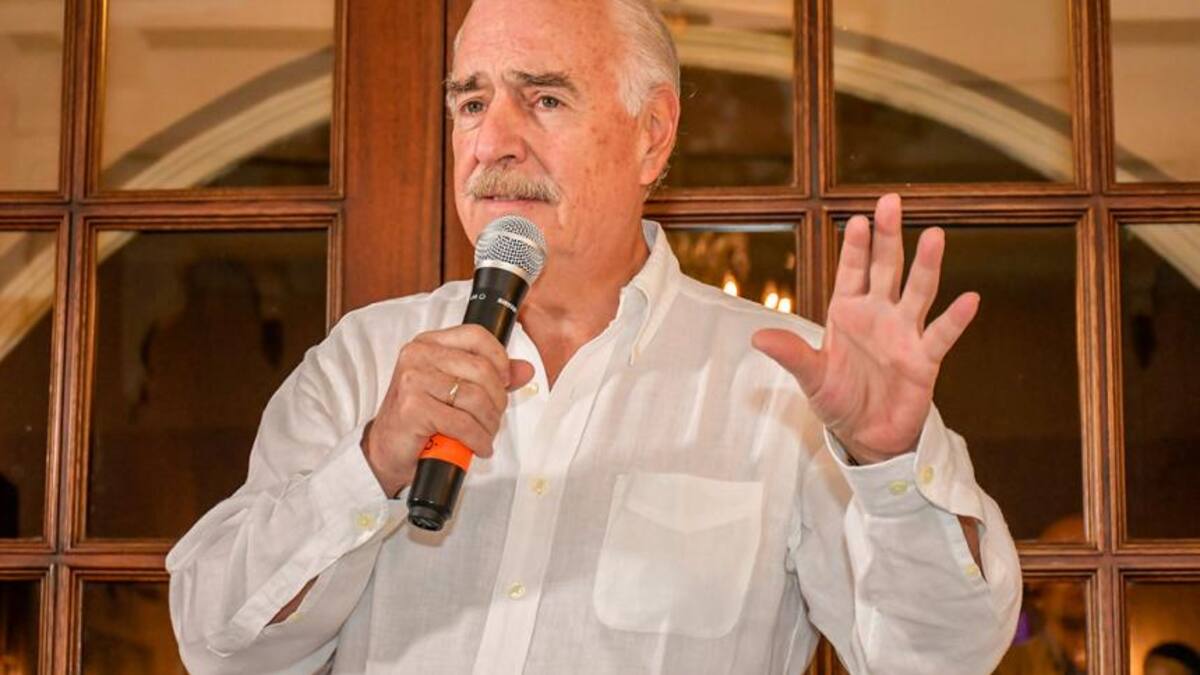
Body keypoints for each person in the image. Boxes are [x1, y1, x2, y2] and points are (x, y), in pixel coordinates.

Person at [167, 0, 1021, 672]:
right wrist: (371, 464)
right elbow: (217, 644)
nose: (492, 143)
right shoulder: (363, 361)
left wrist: (889, 465)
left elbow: (938, 658)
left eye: (544, 98)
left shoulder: (788, 383)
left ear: (653, 134)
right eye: (472, 102)